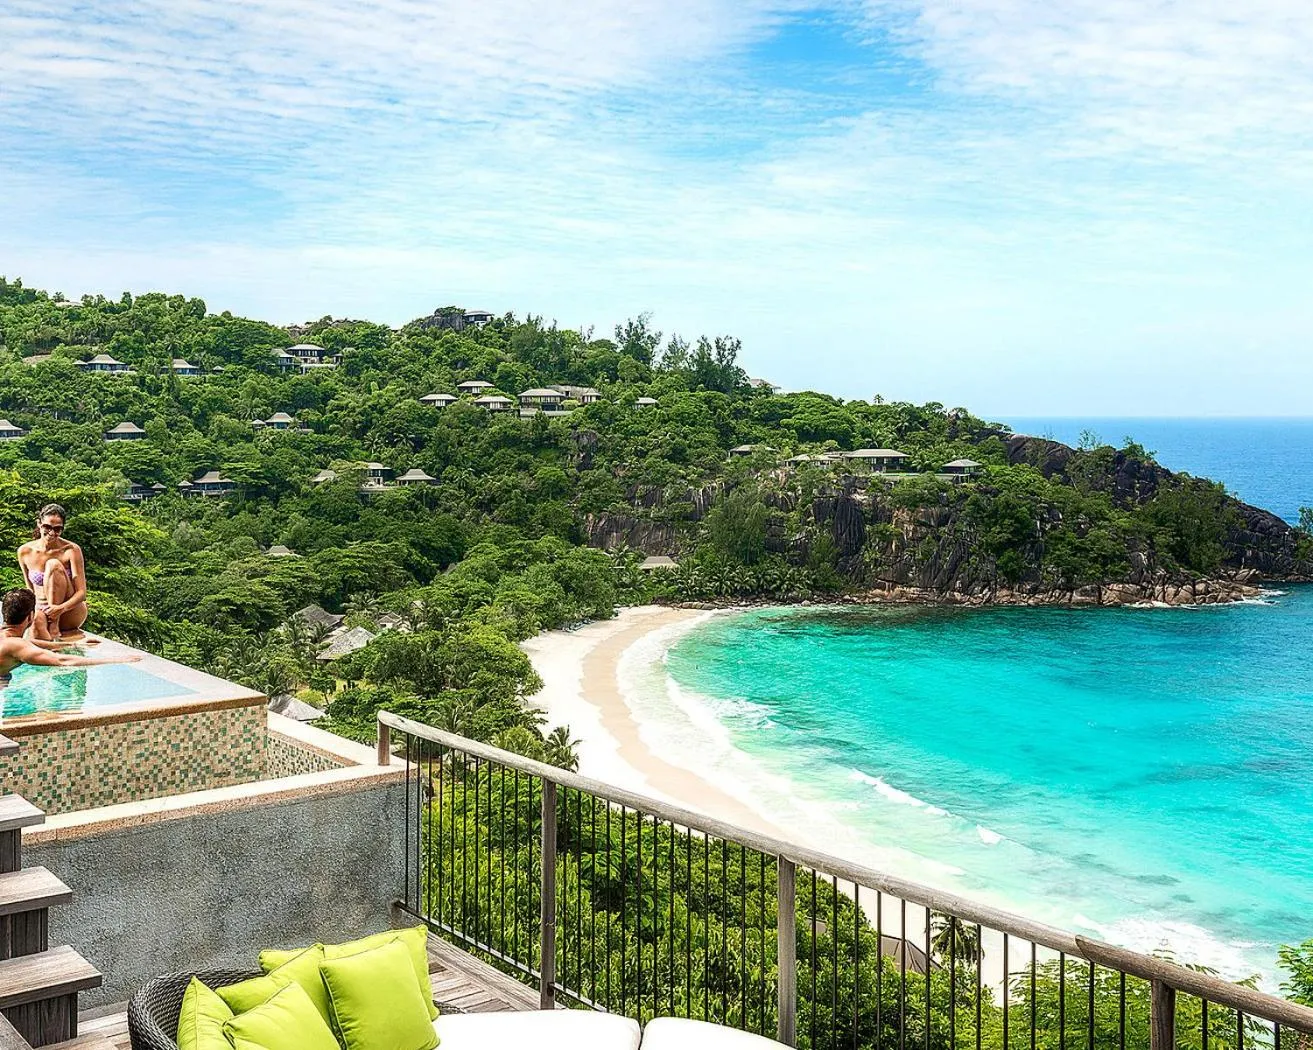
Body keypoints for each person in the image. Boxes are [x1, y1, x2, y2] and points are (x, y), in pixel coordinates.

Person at [0, 589, 140, 685]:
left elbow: (29, 642)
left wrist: (74, 644)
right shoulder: (16, 645)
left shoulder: (8, 638)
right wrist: (116, 660)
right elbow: (62, 660)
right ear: (31, 616)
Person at [17, 503, 91, 643]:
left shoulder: (71, 550)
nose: (51, 533)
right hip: (43, 607)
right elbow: (30, 590)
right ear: (39, 524)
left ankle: (54, 625)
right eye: (47, 527)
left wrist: (59, 609)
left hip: (68, 610)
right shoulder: (24, 551)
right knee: (35, 633)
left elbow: (81, 593)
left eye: (57, 529)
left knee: (53, 565)